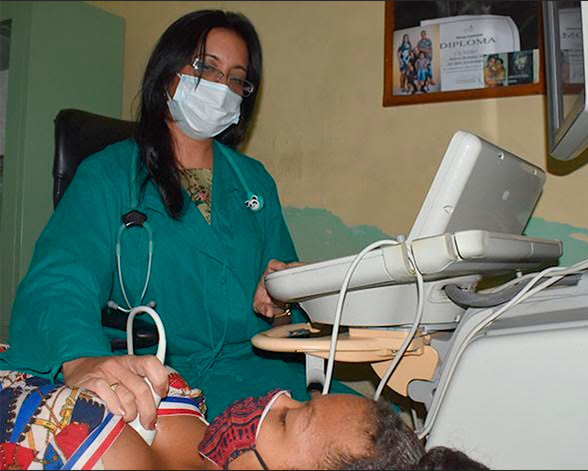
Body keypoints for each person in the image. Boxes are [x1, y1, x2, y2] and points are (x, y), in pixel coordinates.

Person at [0, 9, 347, 432]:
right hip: (165, 380)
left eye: (237, 78)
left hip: (263, 370)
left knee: (368, 429)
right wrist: (82, 358)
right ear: (167, 74)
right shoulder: (109, 176)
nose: (222, 88)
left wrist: (280, 301)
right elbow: (60, 279)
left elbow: (286, 311)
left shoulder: (254, 182)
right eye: (207, 68)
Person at [0, 364, 490, 470]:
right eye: (301, 399)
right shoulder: (181, 404)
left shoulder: (99, 455)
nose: (275, 397)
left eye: (285, 420)